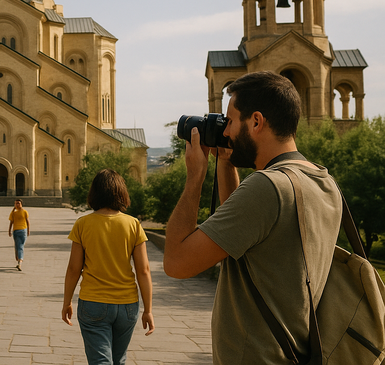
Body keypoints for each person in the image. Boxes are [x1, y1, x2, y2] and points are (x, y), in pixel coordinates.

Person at [163, 71, 343, 364]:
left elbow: (176, 263)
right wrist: (224, 161)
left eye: (231, 121)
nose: (226, 131)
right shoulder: (320, 181)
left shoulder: (267, 187)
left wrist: (195, 176)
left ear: (256, 122)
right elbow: (239, 231)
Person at [62, 169, 154, 365]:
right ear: (121, 193)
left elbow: (73, 269)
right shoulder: (133, 224)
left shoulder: (83, 224)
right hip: (127, 305)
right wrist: (148, 310)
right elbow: (143, 271)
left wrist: (67, 301)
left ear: (94, 194)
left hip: (93, 303)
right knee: (118, 360)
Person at [7, 199, 30, 270]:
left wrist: (28, 231)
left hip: (23, 230)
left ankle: (20, 261)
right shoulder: (13, 213)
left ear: (21, 204)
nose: (17, 205)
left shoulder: (25, 212)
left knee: (20, 246)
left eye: (18, 203)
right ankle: (19, 259)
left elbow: (27, 222)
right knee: (18, 246)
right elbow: (11, 222)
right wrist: (9, 230)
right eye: (15, 203)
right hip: (16, 231)